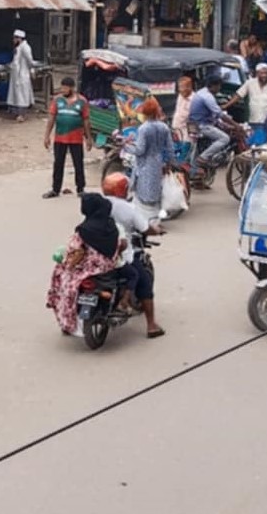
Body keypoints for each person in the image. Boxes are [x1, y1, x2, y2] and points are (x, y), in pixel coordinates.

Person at [101, 173, 164, 338]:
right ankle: (151, 325)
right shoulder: (127, 208)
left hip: (97, 254)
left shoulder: (98, 204)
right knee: (144, 283)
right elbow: (144, 228)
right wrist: (156, 230)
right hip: (122, 255)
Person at [46, 193, 119, 335]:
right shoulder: (111, 226)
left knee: (61, 277)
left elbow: (74, 250)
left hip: (88, 270)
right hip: (107, 267)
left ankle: (67, 321)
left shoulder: (84, 230)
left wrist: (67, 262)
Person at [43, 77, 90, 198]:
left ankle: (81, 189)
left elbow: (86, 121)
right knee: (58, 163)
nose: (63, 90)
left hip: (76, 138)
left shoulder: (82, 101)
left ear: (72, 88)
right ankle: (55, 189)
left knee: (78, 163)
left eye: (65, 88)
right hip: (60, 138)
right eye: (62, 87)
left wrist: (88, 138)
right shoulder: (57, 100)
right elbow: (51, 119)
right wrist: (47, 136)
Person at [132, 97, 175, 229]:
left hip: (145, 164)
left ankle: (144, 223)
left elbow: (140, 150)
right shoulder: (164, 127)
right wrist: (169, 163)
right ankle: (155, 221)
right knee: (156, 193)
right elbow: (170, 148)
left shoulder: (144, 129)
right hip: (158, 162)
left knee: (144, 194)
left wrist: (126, 146)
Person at [188, 75, 234, 167]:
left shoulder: (201, 92)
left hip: (193, 124)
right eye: (219, 86)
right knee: (225, 138)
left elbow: (213, 115)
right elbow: (219, 113)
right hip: (201, 125)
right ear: (214, 86)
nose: (219, 88)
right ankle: (203, 157)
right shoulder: (207, 97)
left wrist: (223, 124)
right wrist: (235, 125)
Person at [224, 63, 267, 135]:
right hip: (254, 119)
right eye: (262, 73)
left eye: (266, 73)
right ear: (257, 74)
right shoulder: (249, 83)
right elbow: (239, 95)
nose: (264, 75)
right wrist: (226, 106)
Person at [7, 29, 34, 122]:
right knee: (16, 94)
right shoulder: (18, 48)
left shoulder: (25, 47)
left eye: (15, 38)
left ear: (19, 38)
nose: (13, 40)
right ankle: (16, 112)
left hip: (22, 74)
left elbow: (29, 60)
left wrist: (31, 69)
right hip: (16, 75)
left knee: (22, 95)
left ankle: (22, 114)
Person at [172, 75, 194, 141]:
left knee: (186, 149)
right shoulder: (180, 96)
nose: (180, 90)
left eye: (182, 87)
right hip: (176, 129)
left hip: (187, 132)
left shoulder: (194, 100)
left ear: (189, 87)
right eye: (179, 87)